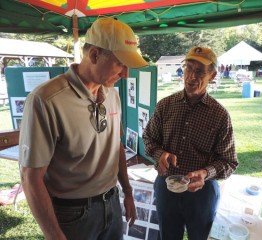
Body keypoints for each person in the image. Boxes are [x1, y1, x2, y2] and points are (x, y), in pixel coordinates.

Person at [18, 18, 148, 240]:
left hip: (111, 202)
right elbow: (30, 176)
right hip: (72, 213)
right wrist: (55, 236)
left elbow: (115, 146)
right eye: (120, 64)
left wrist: (127, 191)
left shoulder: (112, 95)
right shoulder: (46, 100)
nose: (126, 74)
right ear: (95, 55)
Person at [142, 46, 238, 240]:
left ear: (212, 76)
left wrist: (205, 173)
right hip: (166, 187)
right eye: (188, 68)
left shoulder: (219, 115)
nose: (191, 76)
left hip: (201, 194)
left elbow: (229, 162)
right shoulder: (165, 105)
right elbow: (148, 138)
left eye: (200, 71)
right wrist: (160, 154)